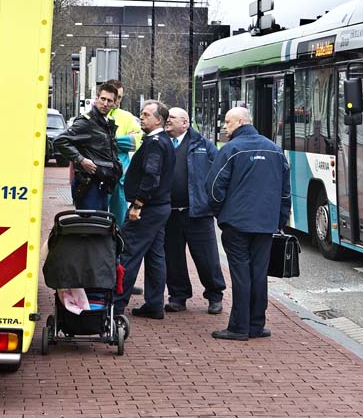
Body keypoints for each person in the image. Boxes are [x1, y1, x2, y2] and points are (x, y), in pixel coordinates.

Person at [206, 107, 290, 341]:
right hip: (265, 225)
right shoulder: (275, 149)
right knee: (259, 274)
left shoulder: (231, 149)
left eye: (228, 122)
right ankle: (256, 324)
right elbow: (285, 192)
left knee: (241, 274)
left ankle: (239, 327)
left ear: (241, 122)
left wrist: (220, 214)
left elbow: (214, 187)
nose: (224, 126)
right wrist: (279, 220)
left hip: (237, 224)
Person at [113, 100, 175, 319]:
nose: (142, 117)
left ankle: (117, 304)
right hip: (159, 208)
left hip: (148, 209)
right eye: (142, 113)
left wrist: (138, 205)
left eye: (147, 114)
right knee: (155, 255)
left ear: (159, 119)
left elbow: (151, 175)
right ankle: (155, 304)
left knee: (129, 252)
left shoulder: (155, 143)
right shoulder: (163, 140)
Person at [163, 107, 226, 315]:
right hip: (170, 212)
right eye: (167, 117)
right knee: (173, 258)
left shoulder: (203, 144)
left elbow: (219, 173)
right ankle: (178, 296)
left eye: (172, 117)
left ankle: (215, 296)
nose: (167, 120)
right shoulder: (161, 143)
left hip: (198, 212)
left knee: (207, 258)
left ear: (185, 123)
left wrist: (212, 202)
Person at [53, 83, 121, 210]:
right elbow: (60, 141)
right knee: (89, 224)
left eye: (109, 101)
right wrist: (81, 160)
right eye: (103, 99)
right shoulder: (86, 122)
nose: (105, 104)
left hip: (103, 183)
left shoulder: (107, 123)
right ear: (96, 99)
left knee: (100, 225)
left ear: (114, 103)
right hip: (89, 184)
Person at [105, 79, 142, 226]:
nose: (116, 101)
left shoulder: (127, 117)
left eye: (120, 97)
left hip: (120, 178)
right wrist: (121, 141)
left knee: (119, 222)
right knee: (97, 219)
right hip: (99, 176)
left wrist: (108, 141)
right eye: (115, 96)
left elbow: (136, 141)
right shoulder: (94, 115)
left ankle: (118, 248)